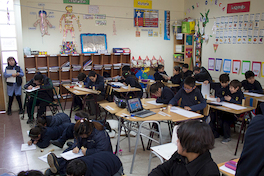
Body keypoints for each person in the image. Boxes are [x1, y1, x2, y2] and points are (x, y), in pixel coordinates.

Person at [149, 120, 220, 176]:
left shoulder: (209, 172)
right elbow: (161, 170)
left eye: (180, 140)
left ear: (191, 144)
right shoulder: (179, 156)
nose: (177, 141)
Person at [46, 117, 112, 175]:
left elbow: (103, 151)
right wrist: (76, 146)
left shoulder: (100, 134)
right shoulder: (81, 130)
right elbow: (77, 139)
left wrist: (88, 152)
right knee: (70, 151)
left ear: (88, 132)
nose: (81, 137)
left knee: (77, 163)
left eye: (82, 136)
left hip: (99, 156)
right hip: (86, 149)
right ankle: (58, 165)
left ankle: (60, 169)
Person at [219, 79, 244, 144]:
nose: (230, 89)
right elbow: (225, 97)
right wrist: (220, 99)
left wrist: (231, 100)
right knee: (220, 118)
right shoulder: (229, 92)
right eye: (230, 87)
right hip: (228, 111)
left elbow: (240, 103)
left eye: (232, 88)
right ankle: (222, 133)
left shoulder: (240, 94)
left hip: (235, 114)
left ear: (237, 88)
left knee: (226, 122)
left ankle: (227, 137)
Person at [210, 74, 230, 138]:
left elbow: (226, 97)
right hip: (217, 105)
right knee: (212, 115)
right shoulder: (218, 86)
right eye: (222, 83)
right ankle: (214, 131)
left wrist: (219, 97)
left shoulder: (229, 88)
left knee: (222, 118)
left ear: (228, 81)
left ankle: (221, 132)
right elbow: (211, 84)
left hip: (226, 107)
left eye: (225, 83)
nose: (223, 84)